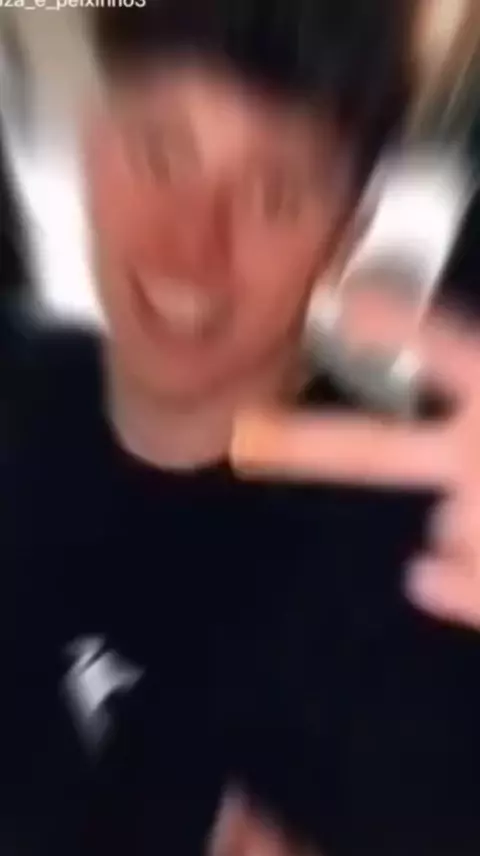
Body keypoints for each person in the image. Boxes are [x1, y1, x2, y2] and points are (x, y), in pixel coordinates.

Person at [2, 2, 480, 855]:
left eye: (274, 196)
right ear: (92, 145)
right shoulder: (19, 382)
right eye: (161, 154)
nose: (191, 246)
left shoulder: (428, 578)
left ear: (346, 236)